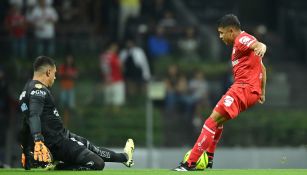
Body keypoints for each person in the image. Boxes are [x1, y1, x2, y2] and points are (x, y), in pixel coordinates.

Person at [173, 14, 267, 171]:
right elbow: (262, 68)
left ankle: (189, 164)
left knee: (210, 122)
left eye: (222, 33)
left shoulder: (241, 40)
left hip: (242, 88)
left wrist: (261, 47)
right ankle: (209, 159)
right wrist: (262, 91)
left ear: (231, 31)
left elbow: (259, 45)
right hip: (251, 92)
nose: (220, 36)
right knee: (218, 121)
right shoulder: (244, 41)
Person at [18, 56, 134, 170]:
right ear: (48, 72)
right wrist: (38, 140)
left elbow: (26, 121)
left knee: (93, 148)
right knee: (97, 163)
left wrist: (25, 150)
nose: (55, 77)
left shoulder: (26, 90)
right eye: (54, 73)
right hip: (58, 143)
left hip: (62, 136)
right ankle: (56, 167)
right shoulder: (38, 90)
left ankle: (125, 157)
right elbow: (34, 115)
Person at [58, 54, 78, 126]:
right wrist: (69, 75)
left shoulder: (73, 67)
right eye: (68, 58)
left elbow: (75, 76)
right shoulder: (62, 67)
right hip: (63, 87)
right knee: (63, 104)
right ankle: (62, 121)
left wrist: (68, 76)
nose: (69, 60)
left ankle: (69, 122)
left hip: (71, 87)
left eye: (71, 58)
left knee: (70, 105)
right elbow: (60, 75)